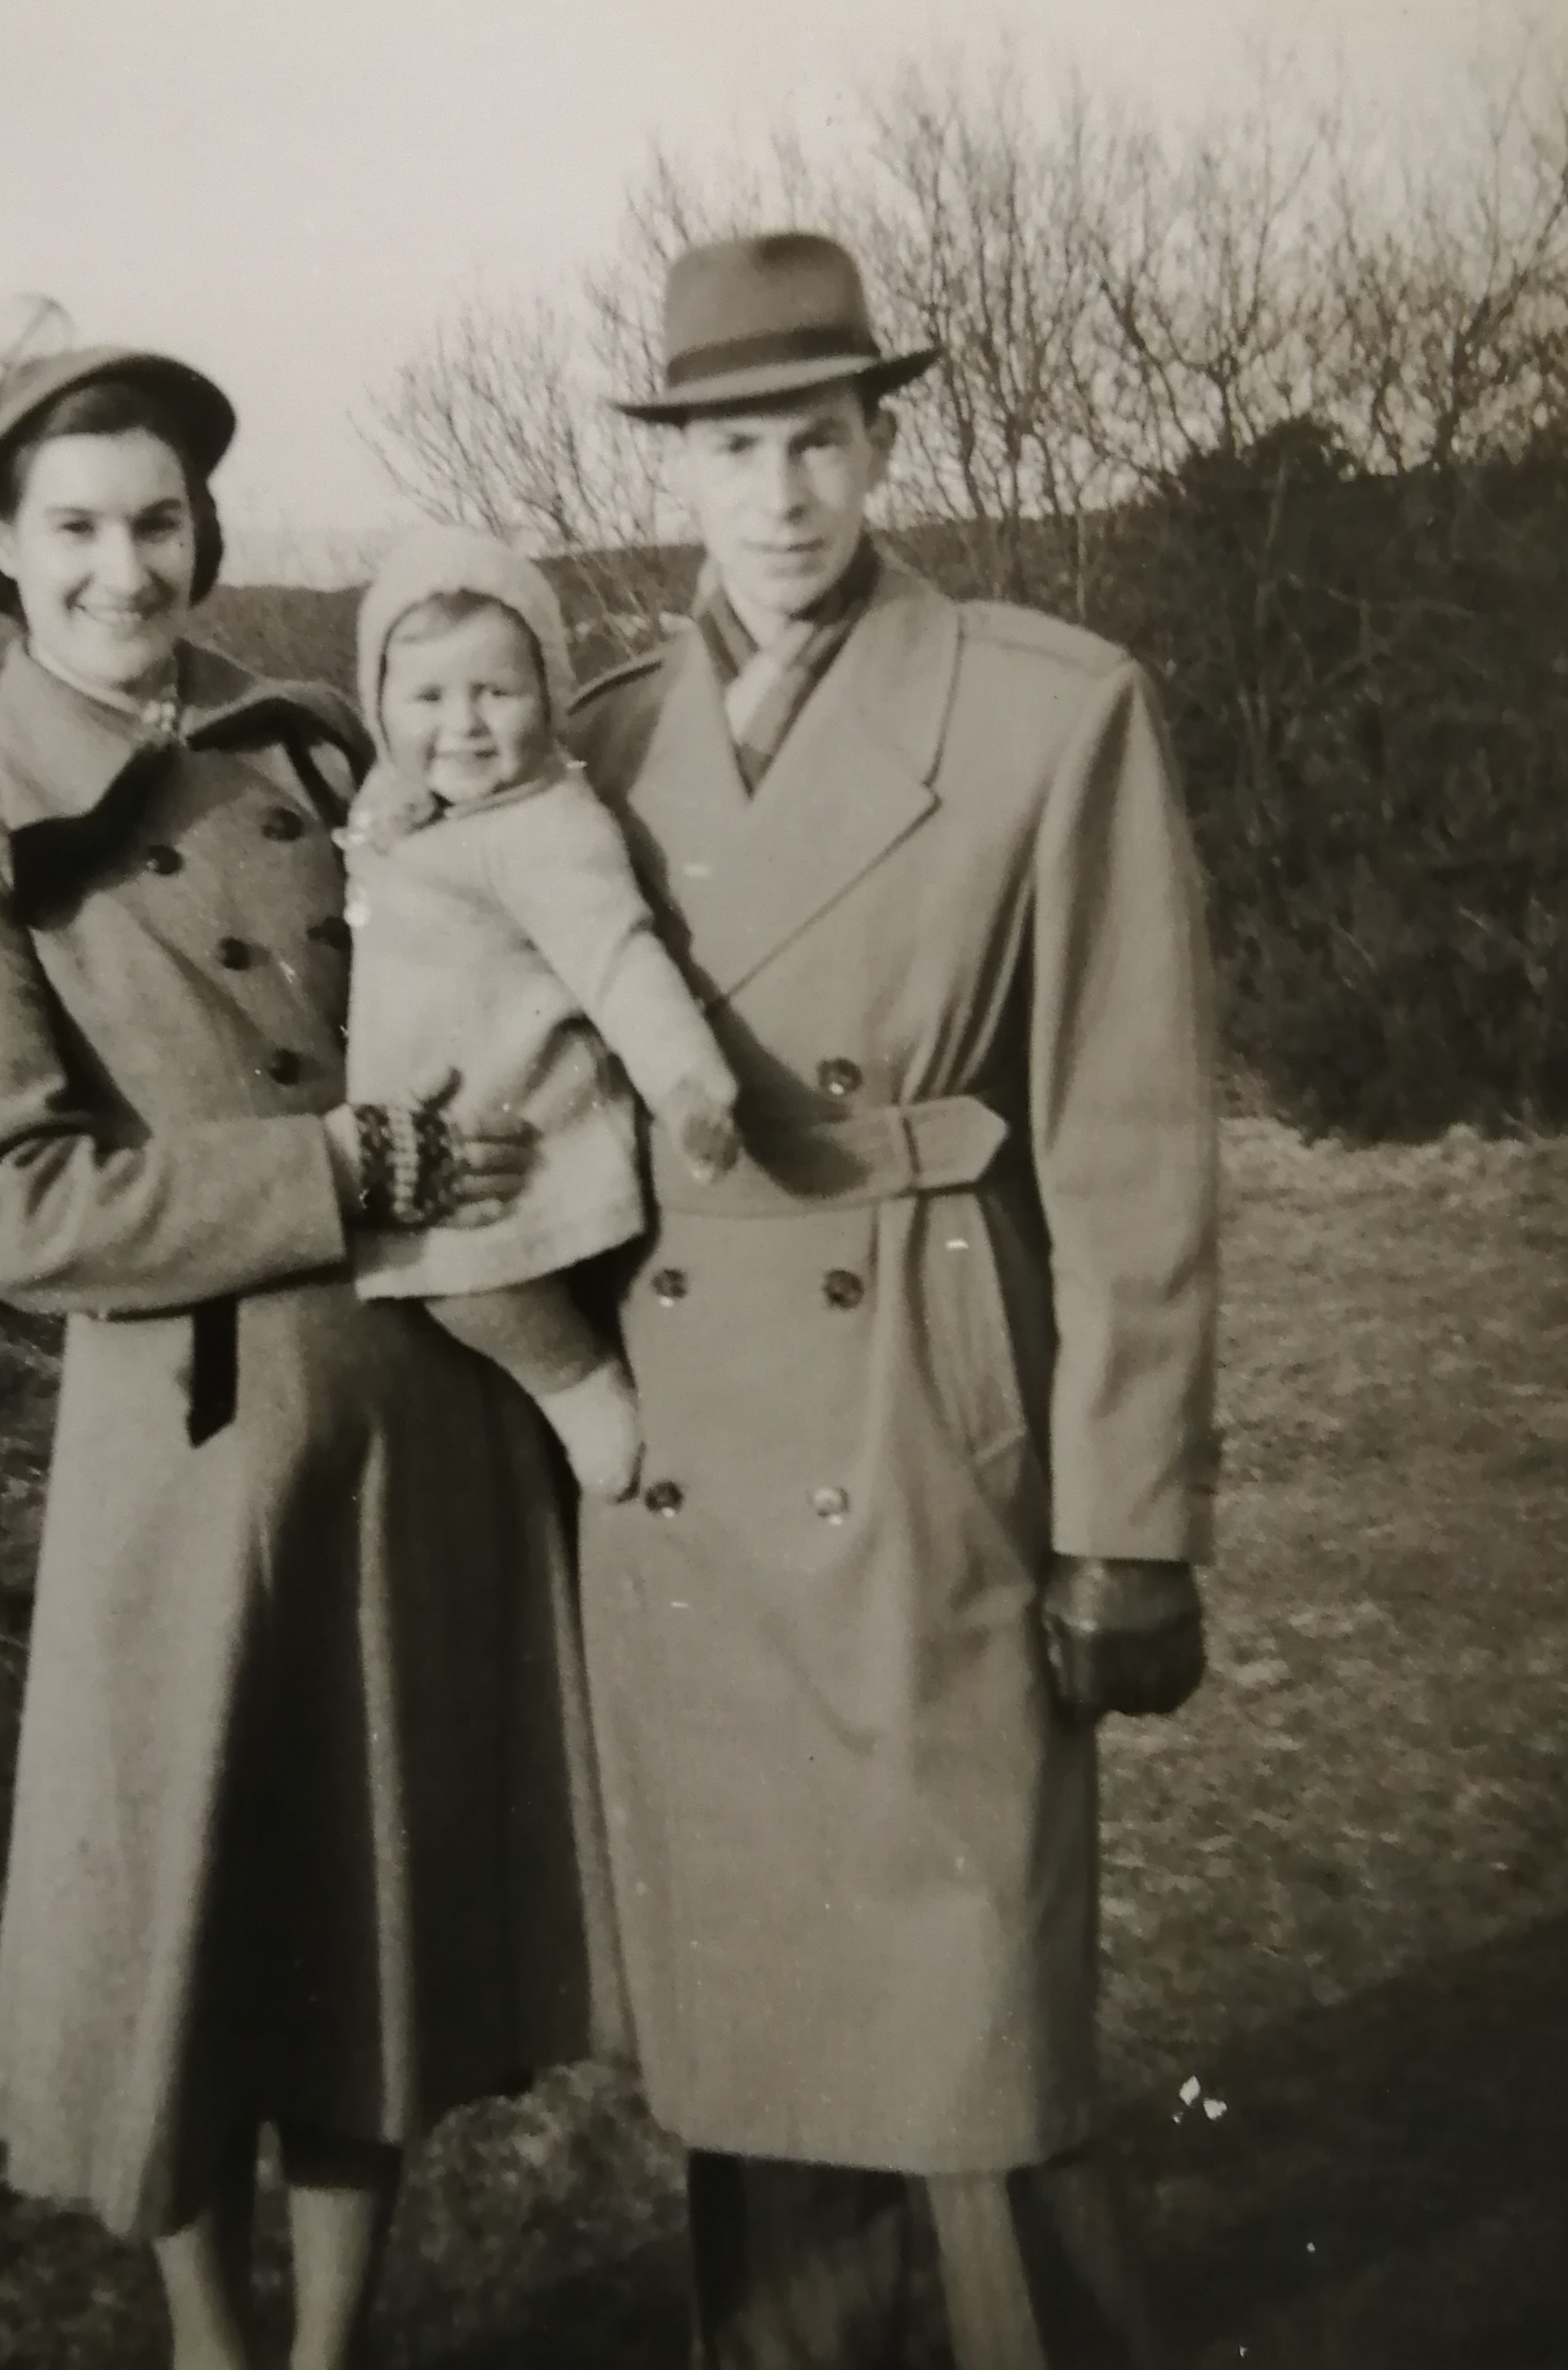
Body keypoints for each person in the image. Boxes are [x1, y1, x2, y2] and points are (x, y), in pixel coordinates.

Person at [0, 297, 622, 2370]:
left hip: (425, 1415)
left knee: (366, 1931)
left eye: (165, 522)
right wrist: (337, 1178)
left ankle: (338, 2344)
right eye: (80, 528)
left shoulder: (311, 742)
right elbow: (16, 1207)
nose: (129, 571)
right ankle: (212, 2345)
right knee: (188, 1929)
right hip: (190, 1460)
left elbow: (506, 943)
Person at [568, 234, 1220, 2368]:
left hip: (928, 1417)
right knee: (761, 2011)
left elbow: (1125, 1149)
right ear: (681, 470)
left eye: (816, 439)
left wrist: (1125, 1521)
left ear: (877, 443)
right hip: (675, 1447)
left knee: (966, 1997)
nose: (776, 494)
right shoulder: (582, 748)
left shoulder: (1050, 709)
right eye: (734, 448)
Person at [341, 523, 741, 1502]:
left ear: (551, 697)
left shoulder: (545, 829)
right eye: (428, 699)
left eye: (497, 692)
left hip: (517, 1118)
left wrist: (687, 1083)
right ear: (381, 710)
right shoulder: (417, 795)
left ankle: (579, 1385)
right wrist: (393, 794)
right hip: (427, 1119)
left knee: (471, 1283)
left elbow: (620, 959)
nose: (464, 726)